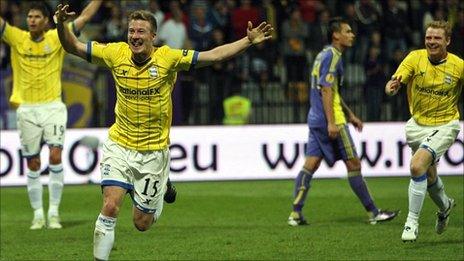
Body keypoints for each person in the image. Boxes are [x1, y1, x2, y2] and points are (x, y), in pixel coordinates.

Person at [54, 4, 273, 260]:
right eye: (132, 31)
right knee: (110, 206)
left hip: (153, 153)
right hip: (119, 144)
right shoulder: (115, 53)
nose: (135, 36)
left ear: (153, 37)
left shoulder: (168, 58)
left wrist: (247, 40)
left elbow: (213, 56)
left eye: (141, 32)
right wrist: (60, 25)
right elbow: (73, 47)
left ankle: (158, 193)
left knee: (141, 223)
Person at [287, 17, 399, 226]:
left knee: (310, 164)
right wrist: (333, 122)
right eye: (347, 31)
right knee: (354, 163)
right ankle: (374, 212)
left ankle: (295, 213)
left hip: (315, 117)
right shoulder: (334, 56)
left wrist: (351, 115)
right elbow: (327, 90)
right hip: (331, 120)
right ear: (336, 35)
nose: (352, 34)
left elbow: (331, 91)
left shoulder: (323, 54)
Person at [0, 0, 102, 230]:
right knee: (33, 163)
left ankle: (54, 212)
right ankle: (38, 214)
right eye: (29, 17)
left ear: (46, 21)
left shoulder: (57, 37)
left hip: (53, 107)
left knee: (55, 156)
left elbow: (85, 17)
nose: (32, 20)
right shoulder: (17, 37)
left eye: (37, 17)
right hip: (26, 109)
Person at [385, 20, 463, 242]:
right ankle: (446, 206)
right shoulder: (414, 58)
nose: (431, 41)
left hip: (445, 125)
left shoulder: (458, 66)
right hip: (417, 125)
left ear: (447, 40)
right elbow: (394, 81)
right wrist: (392, 87)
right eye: (429, 37)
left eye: (437, 38)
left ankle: (411, 222)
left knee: (417, 165)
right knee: (429, 176)